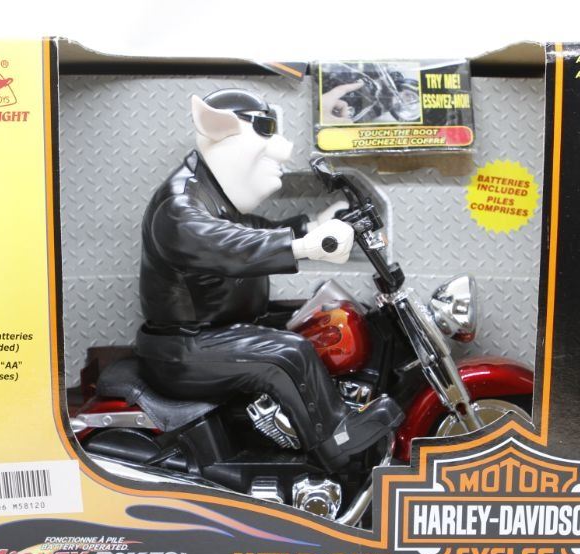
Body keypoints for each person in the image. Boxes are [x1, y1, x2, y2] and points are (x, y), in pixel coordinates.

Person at [134, 89, 402, 471]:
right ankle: (336, 443)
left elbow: (251, 230)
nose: (282, 151)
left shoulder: (213, 194)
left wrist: (312, 225)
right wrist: (305, 246)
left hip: (217, 329)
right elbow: (228, 246)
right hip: (186, 347)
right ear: (217, 130)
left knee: (324, 318)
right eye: (264, 131)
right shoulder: (178, 206)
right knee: (289, 354)